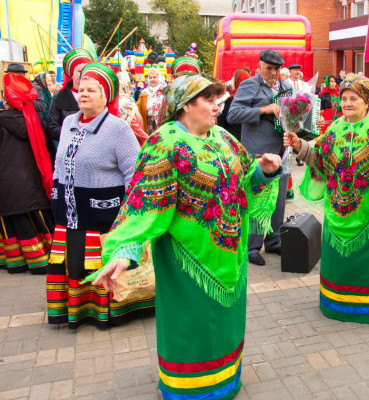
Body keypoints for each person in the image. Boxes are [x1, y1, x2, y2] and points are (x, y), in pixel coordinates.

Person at [92, 73, 282, 399]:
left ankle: (225, 381)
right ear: (184, 106)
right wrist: (125, 250)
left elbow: (242, 183)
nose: (216, 107)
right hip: (187, 262)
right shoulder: (163, 143)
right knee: (191, 326)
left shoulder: (222, 138)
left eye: (216, 100)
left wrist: (262, 172)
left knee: (223, 326)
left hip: (228, 255)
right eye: (208, 100)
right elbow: (143, 204)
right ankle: (190, 390)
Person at [284, 74, 369, 324]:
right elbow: (320, 160)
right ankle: (336, 305)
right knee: (339, 265)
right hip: (337, 210)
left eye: (354, 98)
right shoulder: (335, 127)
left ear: (367, 101)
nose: (347, 103)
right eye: (344, 98)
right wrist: (299, 147)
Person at [46, 63, 154, 329]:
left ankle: (107, 313)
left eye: (91, 90)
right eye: (81, 89)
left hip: (103, 217)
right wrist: (55, 194)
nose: (83, 94)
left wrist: (134, 218)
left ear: (105, 96)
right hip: (70, 213)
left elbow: (135, 175)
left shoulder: (118, 129)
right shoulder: (69, 122)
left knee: (100, 264)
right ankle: (78, 311)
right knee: (73, 262)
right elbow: (60, 164)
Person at [227, 50, 293, 266]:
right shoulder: (250, 85)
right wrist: (264, 109)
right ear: (260, 66)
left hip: (281, 150)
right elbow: (233, 114)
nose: (273, 72)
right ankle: (252, 247)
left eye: (276, 69)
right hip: (257, 153)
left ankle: (274, 241)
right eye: (269, 68)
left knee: (279, 199)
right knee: (258, 200)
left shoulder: (287, 87)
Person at [0, 73, 54, 274]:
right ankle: (43, 259)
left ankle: (17, 261)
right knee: (38, 218)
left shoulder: (2, 120)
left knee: (15, 221)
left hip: (7, 183)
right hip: (35, 180)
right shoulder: (37, 119)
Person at [47, 49, 94, 144]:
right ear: (72, 74)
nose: (83, 74)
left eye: (86, 70)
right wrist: (76, 135)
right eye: (80, 71)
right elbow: (52, 127)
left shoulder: (97, 96)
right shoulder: (59, 97)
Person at [117, 71, 149, 146]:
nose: (133, 86)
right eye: (131, 83)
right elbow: (133, 127)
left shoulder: (124, 100)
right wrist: (148, 140)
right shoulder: (124, 103)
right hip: (129, 145)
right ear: (125, 85)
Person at [219, 69, 251, 142]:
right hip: (248, 140)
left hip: (233, 139)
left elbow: (221, 121)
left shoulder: (233, 99)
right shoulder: (253, 98)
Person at [136, 68, 166, 134]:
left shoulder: (163, 92)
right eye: (150, 77)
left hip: (160, 124)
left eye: (154, 77)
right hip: (147, 123)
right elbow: (137, 108)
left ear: (159, 78)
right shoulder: (144, 93)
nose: (152, 79)